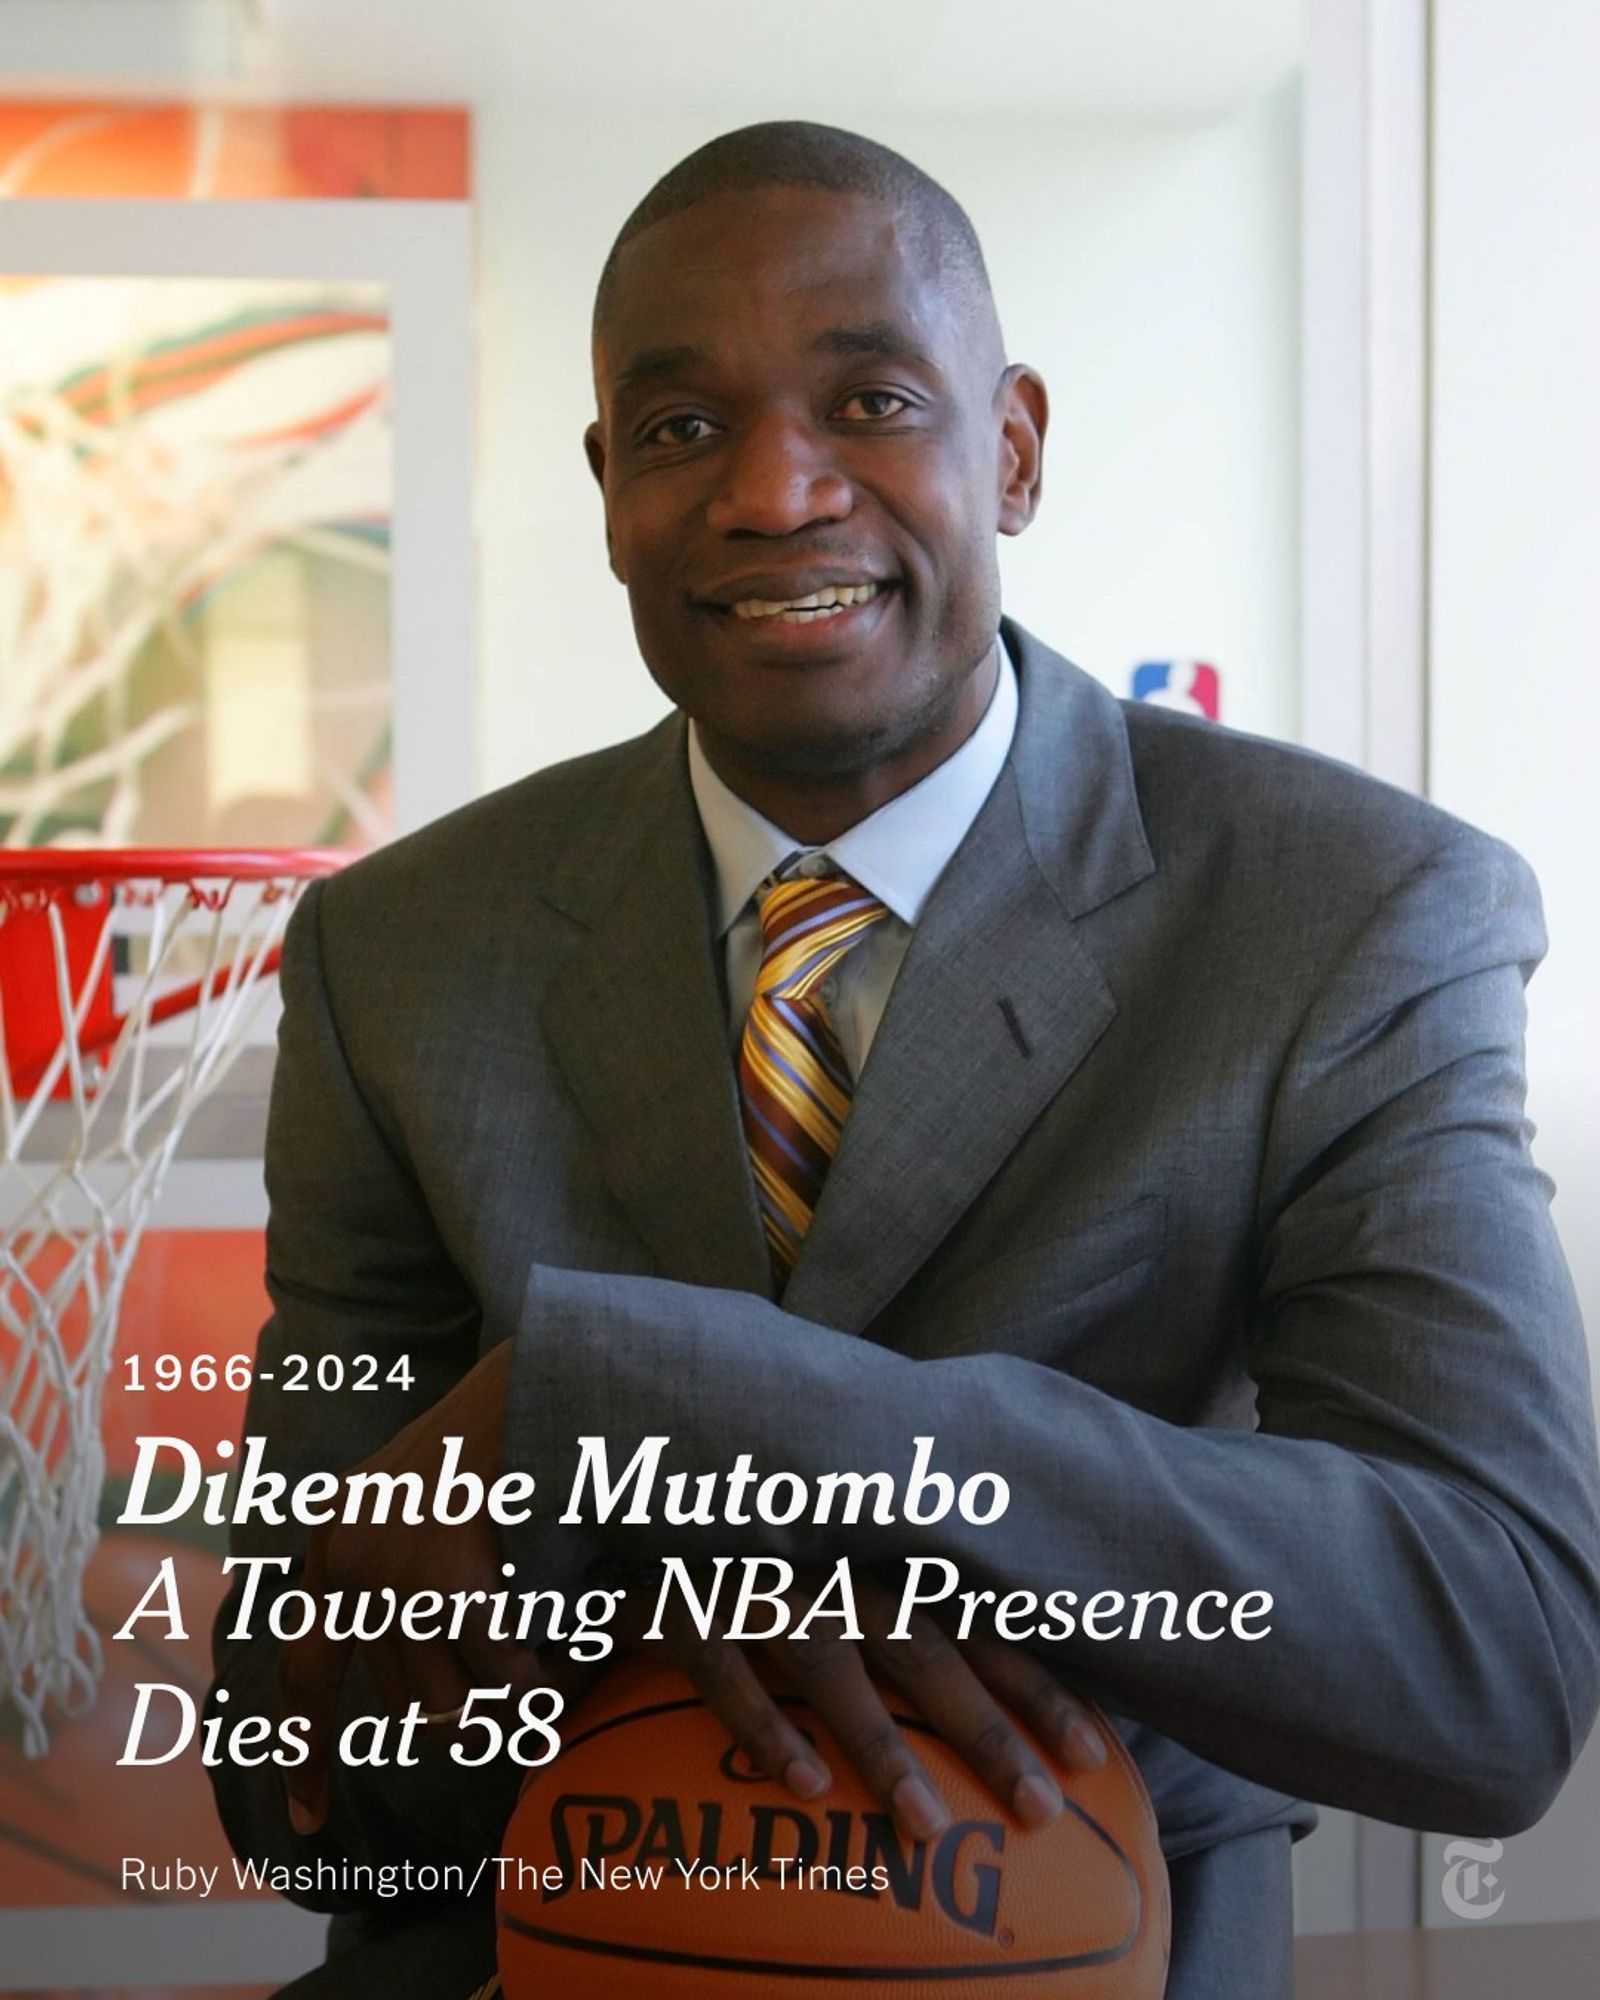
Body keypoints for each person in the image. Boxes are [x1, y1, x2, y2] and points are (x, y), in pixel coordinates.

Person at [207, 123, 1600, 1998]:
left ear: (1011, 449)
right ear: (609, 486)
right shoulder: (401, 956)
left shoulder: (1354, 913)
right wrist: (699, 1580)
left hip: (1102, 1945)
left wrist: (671, 1409)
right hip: (544, 1939)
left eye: (870, 398)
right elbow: (284, 1770)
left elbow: (1486, 1657)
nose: (776, 492)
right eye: (684, 430)